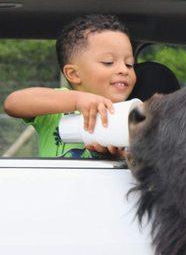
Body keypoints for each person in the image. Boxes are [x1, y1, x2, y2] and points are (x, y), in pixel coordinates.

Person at [3, 14, 136, 159]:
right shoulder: (58, 108)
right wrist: (76, 101)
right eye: (108, 62)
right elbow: (12, 103)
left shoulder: (133, 117)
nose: (124, 70)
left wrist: (118, 156)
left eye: (129, 64)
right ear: (73, 74)